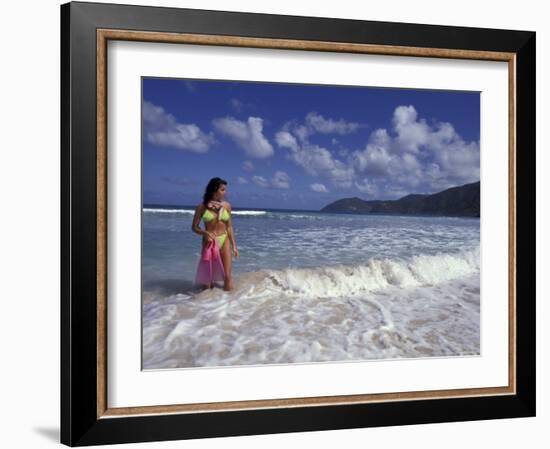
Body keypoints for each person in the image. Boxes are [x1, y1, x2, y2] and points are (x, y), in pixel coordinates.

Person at [192, 177, 239, 291]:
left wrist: (234, 245)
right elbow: (194, 227)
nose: (225, 192)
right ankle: (207, 305)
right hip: (210, 242)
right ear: (214, 190)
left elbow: (229, 226)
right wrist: (204, 233)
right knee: (208, 281)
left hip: (224, 240)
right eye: (222, 190)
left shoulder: (227, 206)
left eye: (225, 189)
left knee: (227, 276)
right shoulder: (201, 207)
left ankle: (231, 304)